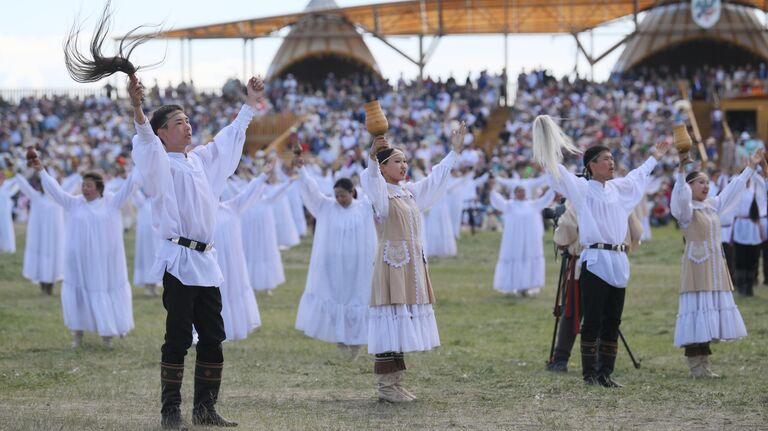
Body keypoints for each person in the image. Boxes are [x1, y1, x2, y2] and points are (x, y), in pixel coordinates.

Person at [129, 74, 265, 428]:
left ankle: (205, 409)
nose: (187, 126)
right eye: (178, 123)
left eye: (187, 120)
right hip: (178, 260)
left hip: (207, 260)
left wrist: (249, 104)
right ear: (163, 132)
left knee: (214, 336)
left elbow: (230, 138)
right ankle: (170, 411)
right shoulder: (160, 162)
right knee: (176, 337)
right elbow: (144, 138)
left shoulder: (200, 161)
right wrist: (138, 108)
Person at [533, 115, 671, 387]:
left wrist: (654, 157)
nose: (611, 163)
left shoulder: (619, 189)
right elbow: (554, 170)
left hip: (619, 260)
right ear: (591, 166)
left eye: (611, 158)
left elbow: (638, 176)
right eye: (605, 159)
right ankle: (589, 375)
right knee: (592, 320)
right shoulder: (583, 189)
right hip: (595, 259)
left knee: (612, 320)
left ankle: (605, 373)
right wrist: (547, 139)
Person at [360, 122, 466, 403]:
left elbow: (435, 179)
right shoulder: (381, 194)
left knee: (399, 324)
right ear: (383, 167)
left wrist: (453, 153)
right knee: (389, 322)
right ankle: (385, 386)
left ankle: (395, 383)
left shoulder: (407, 192)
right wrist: (372, 159)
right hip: (392, 266)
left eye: (406, 161)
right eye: (397, 161)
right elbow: (370, 183)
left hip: (410, 267)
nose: (404, 165)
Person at [29, 157, 136, 349]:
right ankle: (77, 336)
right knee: (77, 296)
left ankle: (107, 336)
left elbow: (129, 186)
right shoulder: (75, 203)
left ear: (99, 188)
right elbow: (55, 191)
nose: (85, 189)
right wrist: (41, 171)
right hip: (77, 263)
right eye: (83, 185)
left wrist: (141, 164)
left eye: (89, 186)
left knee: (102, 293)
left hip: (103, 263)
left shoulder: (111, 203)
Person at [670, 151, 756, 377]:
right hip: (697, 269)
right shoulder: (687, 210)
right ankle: (695, 366)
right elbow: (679, 197)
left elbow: (732, 190)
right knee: (696, 312)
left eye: (708, 182)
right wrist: (680, 171)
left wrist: (749, 168)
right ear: (690, 186)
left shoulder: (711, 205)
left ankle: (704, 365)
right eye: (701, 182)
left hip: (714, 268)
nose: (706, 186)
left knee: (706, 316)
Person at [546, 200, 644, 372]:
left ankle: (561, 359)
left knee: (574, 311)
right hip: (616, 263)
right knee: (607, 313)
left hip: (586, 262)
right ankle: (601, 362)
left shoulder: (580, 197)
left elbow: (567, 227)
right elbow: (637, 232)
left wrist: (562, 240)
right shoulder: (618, 197)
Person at [294, 159, 377, 357]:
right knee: (335, 297)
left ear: (352, 192)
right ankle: (340, 337)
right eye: (337, 195)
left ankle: (357, 342)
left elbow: (377, 189)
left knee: (357, 299)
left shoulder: (364, 208)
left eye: (343, 195)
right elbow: (312, 191)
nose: (339, 199)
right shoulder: (327, 207)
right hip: (334, 265)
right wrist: (302, 169)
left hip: (358, 266)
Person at [215, 162, 274, 341]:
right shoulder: (197, 214)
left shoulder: (230, 207)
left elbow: (247, 194)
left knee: (230, 289)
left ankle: (229, 327)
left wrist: (263, 176)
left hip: (231, 263)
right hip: (211, 263)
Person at [491, 184, 555, 296]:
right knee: (515, 259)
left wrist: (554, 186)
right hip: (514, 241)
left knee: (529, 258)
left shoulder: (532, 205)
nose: (522, 193)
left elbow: (545, 200)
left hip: (530, 241)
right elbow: (498, 201)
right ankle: (515, 286)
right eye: (519, 191)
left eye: (523, 191)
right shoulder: (510, 205)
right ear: (515, 193)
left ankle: (528, 286)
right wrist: (491, 189)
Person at [14, 173, 65, 295]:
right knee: (41, 260)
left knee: (53, 260)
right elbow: (24, 186)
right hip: (40, 236)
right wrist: (16, 173)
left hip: (54, 237)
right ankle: (43, 285)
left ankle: (50, 286)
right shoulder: (36, 196)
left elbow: (70, 185)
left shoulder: (59, 198)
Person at [0, 174, 18, 253]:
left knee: (7, 228)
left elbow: (17, 182)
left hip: (5, 212)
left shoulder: (7, 184)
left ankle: (9, 247)